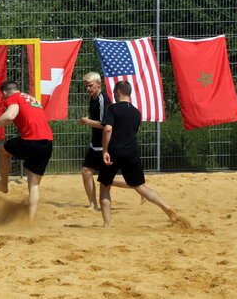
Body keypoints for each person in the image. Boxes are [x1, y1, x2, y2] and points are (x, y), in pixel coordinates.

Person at [98, 80, 189, 228]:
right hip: (132, 151)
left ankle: (107, 225)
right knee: (141, 187)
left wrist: (105, 150)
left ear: (118, 92)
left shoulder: (112, 109)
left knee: (104, 186)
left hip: (115, 150)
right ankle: (166, 207)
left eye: (115, 93)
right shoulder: (136, 112)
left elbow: (108, 129)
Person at [0, 80, 53, 224]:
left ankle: (3, 184)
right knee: (33, 186)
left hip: (31, 141)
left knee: (2, 150)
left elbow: (10, 116)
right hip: (47, 143)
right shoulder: (32, 98)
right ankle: (30, 222)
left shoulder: (12, 98)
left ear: (4, 93)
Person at [79, 72, 136, 211]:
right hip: (95, 144)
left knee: (106, 179)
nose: (88, 89)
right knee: (87, 172)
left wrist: (87, 122)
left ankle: (136, 185)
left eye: (90, 86)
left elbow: (105, 124)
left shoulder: (102, 99)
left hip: (105, 145)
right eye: (86, 86)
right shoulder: (93, 98)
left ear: (99, 84)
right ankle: (93, 205)